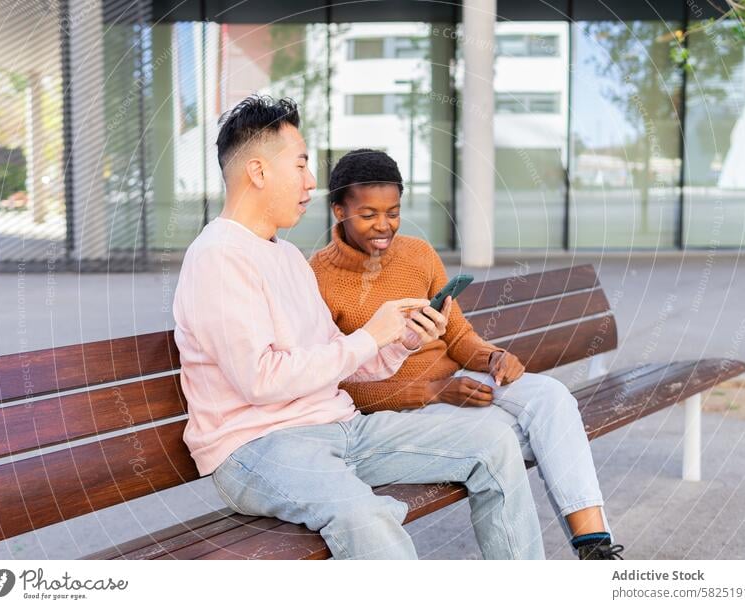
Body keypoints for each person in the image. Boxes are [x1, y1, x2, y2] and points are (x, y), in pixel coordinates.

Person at [172, 95, 545, 559]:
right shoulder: (218, 258)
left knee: (494, 442)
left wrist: (401, 340)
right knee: (366, 517)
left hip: (340, 428)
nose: (311, 183)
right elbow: (261, 380)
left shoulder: (286, 257)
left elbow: (335, 358)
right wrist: (370, 335)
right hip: (258, 449)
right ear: (258, 171)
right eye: (301, 165)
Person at [309, 149, 625, 560]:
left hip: (460, 388)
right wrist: (435, 390)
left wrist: (492, 357)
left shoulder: (418, 254)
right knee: (517, 437)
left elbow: (458, 336)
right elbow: (337, 383)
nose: (383, 226)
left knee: (551, 396)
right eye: (368, 214)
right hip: (402, 414)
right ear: (338, 210)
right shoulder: (317, 277)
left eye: (393, 212)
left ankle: (595, 549)